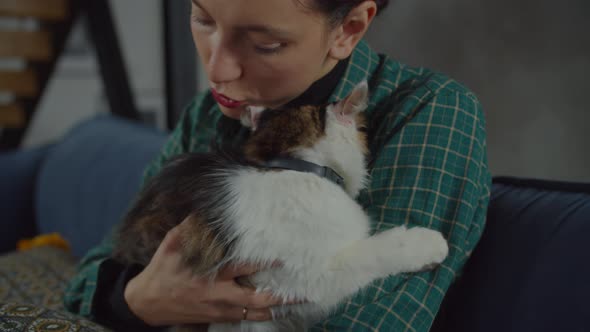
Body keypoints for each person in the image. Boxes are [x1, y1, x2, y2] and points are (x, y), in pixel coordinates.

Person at [64, 0, 492, 331]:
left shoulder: (427, 110)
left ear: (349, 28)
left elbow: (371, 317)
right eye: (202, 19)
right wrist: (139, 299)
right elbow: (88, 281)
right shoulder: (208, 117)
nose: (216, 69)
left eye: (264, 44)